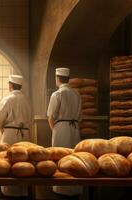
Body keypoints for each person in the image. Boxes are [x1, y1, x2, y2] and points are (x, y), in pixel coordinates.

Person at [47, 67, 82, 196]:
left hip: (60, 128)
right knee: (75, 158)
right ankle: (75, 190)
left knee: (60, 159)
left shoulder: (57, 94)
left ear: (58, 78)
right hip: (74, 128)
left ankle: (61, 190)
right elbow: (80, 117)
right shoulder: (77, 94)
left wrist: (55, 130)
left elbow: (50, 116)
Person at [0, 74, 32, 198]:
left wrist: (3, 130)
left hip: (10, 133)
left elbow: (0, 119)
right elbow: (30, 119)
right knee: (24, 163)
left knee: (8, 163)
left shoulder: (7, 99)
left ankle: (9, 193)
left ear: (11, 85)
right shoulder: (27, 100)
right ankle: (22, 192)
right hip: (25, 135)